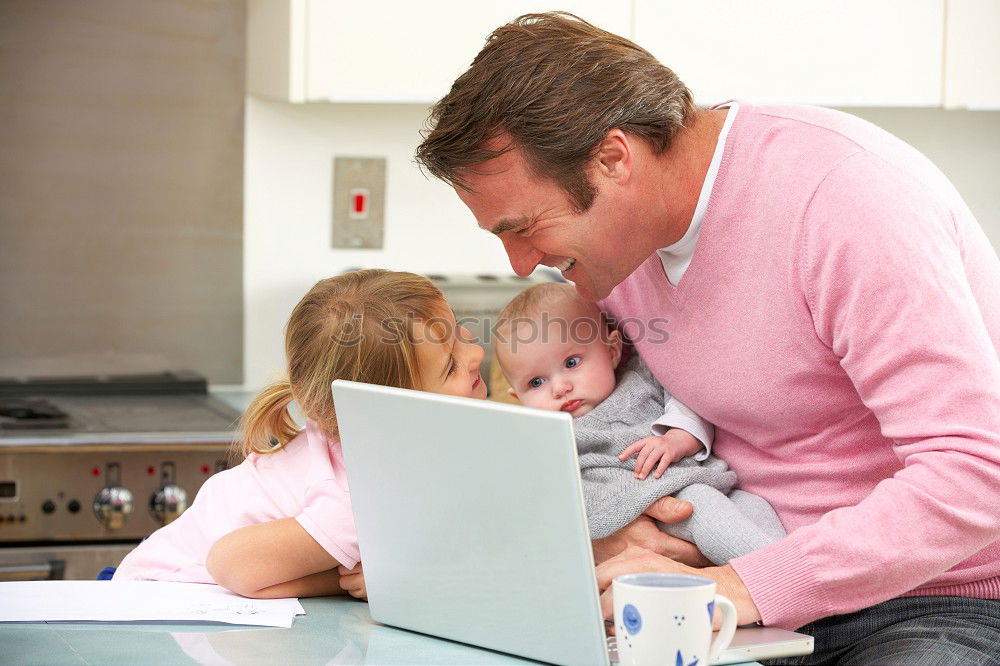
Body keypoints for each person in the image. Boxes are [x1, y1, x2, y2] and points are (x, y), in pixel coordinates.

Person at [415, 11, 1000, 664]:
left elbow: (976, 472)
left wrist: (748, 583)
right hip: (725, 578)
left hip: (935, 601)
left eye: (523, 226)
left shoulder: (847, 202)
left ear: (613, 160)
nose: (522, 264)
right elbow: (617, 426)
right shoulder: (613, 254)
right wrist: (616, 528)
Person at [114, 269, 488, 600]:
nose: (475, 355)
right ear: (387, 415)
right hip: (163, 596)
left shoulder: (376, 443)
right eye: (451, 364)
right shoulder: (360, 495)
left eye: (460, 333)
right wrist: (353, 579)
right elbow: (232, 566)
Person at [494, 281, 785, 565]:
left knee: (754, 506)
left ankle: (787, 580)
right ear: (517, 397)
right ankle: (778, 581)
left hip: (703, 484)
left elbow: (688, 403)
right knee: (703, 506)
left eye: (571, 363)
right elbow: (546, 499)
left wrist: (677, 438)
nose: (559, 388)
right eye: (536, 382)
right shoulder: (550, 436)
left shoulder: (641, 380)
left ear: (612, 351)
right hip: (649, 510)